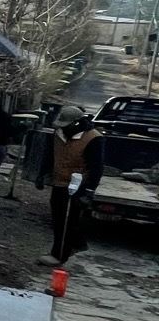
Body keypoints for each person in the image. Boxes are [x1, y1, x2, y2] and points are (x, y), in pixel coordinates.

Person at [42, 108, 104, 265]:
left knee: (67, 220)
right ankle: (77, 244)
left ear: (77, 123)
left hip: (77, 184)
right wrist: (42, 174)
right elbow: (50, 155)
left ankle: (59, 255)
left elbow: (96, 167)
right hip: (59, 181)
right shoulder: (58, 134)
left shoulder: (93, 138)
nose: (62, 128)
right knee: (58, 218)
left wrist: (89, 190)